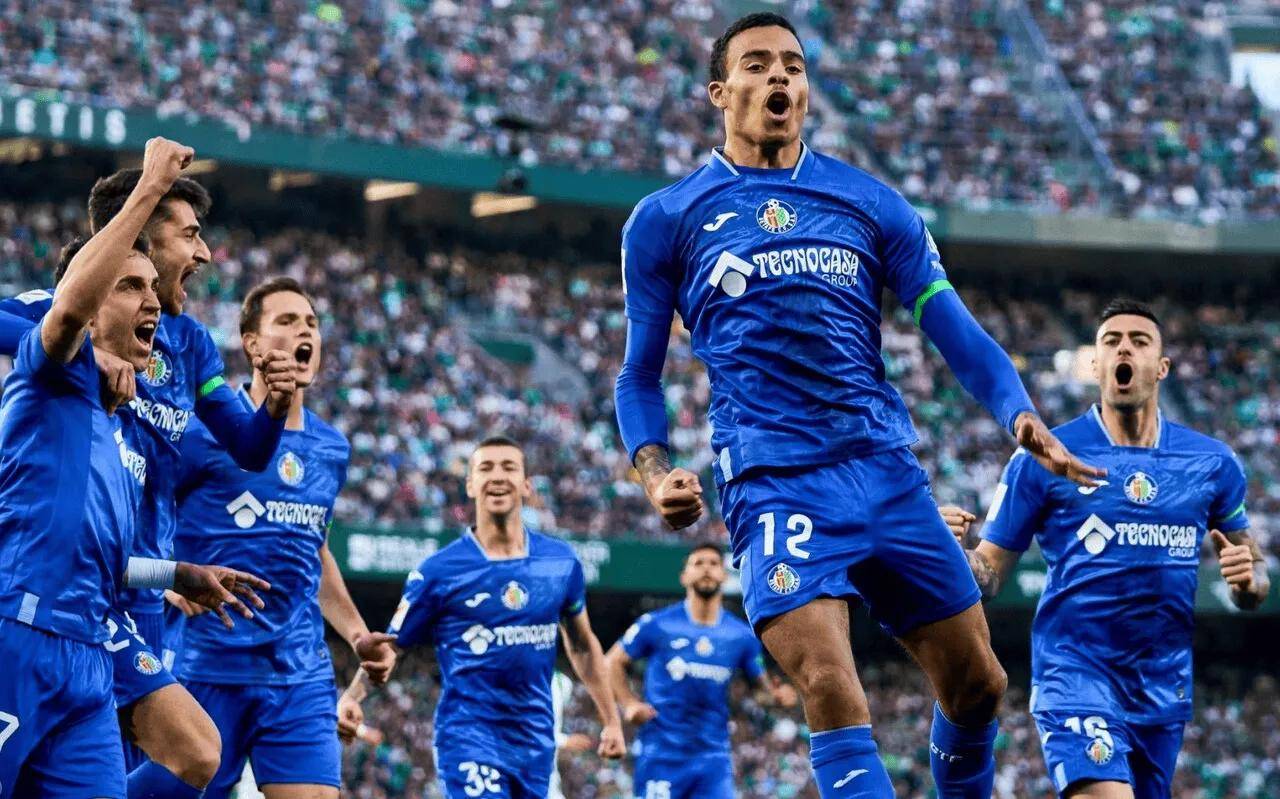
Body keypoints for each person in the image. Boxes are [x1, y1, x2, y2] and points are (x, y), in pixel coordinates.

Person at [612, 12, 1103, 798]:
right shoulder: (668, 218)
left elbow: (953, 327)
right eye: (757, 64)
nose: (780, 75)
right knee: (830, 683)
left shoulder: (870, 202)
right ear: (719, 92)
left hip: (882, 468)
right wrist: (653, 470)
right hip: (775, 480)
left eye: (794, 64)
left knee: (980, 684)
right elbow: (638, 373)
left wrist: (1019, 413)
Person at [0, 169, 298, 797]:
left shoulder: (188, 346)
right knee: (188, 747)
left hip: (126, 583)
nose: (204, 252)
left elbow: (248, 447)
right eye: (189, 234)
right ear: (139, 232)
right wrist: (84, 351)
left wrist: (274, 406)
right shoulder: (57, 321)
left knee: (188, 754)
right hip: (36, 594)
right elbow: (60, 326)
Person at [958, 299, 1271, 799]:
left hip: (1163, 690)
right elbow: (988, 575)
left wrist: (1247, 582)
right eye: (1111, 341)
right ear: (1096, 363)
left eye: (1139, 341)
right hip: (1074, 675)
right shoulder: (1044, 457)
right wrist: (952, 556)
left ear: (1162, 367)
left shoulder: (1213, 463)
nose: (1125, 348)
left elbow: (1254, 576)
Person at [168, 276, 396, 799]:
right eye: (287, 321)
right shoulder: (201, 433)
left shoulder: (331, 448)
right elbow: (140, 515)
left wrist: (356, 634)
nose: (304, 332)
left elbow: (314, 549)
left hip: (299, 673)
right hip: (204, 668)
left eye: (312, 323)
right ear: (251, 343)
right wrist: (165, 580)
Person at [337, 436, 627, 799]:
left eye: (509, 467)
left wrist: (611, 721)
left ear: (526, 484)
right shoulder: (439, 571)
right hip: (469, 737)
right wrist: (352, 697)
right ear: (471, 484)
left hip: (535, 742)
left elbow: (582, 646)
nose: (498, 476)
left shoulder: (560, 562)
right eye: (486, 468)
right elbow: (391, 648)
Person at [605, 542, 797, 799]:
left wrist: (776, 697)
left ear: (724, 575)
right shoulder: (657, 624)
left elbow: (761, 692)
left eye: (714, 563)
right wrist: (629, 703)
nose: (706, 568)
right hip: (661, 755)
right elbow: (611, 662)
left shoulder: (741, 636)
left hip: (713, 760)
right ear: (684, 576)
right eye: (698, 563)